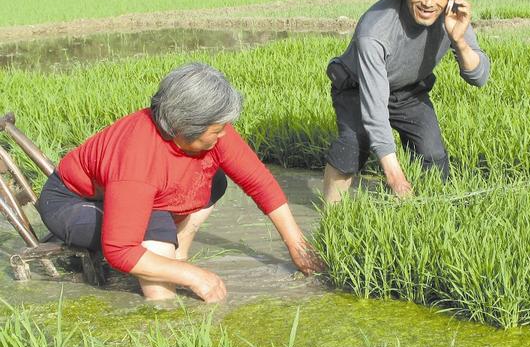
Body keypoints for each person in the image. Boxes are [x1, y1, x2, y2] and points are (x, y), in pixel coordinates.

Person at [36, 62, 323, 302]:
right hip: (74, 202)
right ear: (183, 129)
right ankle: (165, 316)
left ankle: (178, 253)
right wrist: (194, 276)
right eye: (217, 130)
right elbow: (119, 249)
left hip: (140, 191)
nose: (223, 135)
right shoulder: (138, 157)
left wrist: (297, 245)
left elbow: (259, 182)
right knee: (155, 230)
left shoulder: (212, 131)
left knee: (215, 181)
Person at [323, 0, 490, 202]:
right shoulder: (375, 30)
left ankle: (430, 215)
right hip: (358, 87)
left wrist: (459, 40)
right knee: (352, 147)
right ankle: (332, 218)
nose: (429, 2)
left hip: (409, 90)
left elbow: (479, 77)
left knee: (433, 156)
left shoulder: (453, 18)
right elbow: (375, 112)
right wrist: (395, 179)